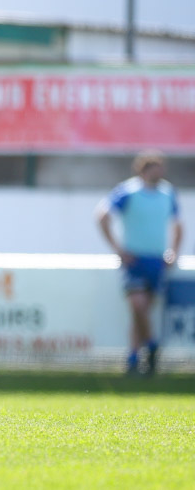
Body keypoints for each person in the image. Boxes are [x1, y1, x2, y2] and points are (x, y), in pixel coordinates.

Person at [96, 150, 183, 375]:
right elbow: (103, 216)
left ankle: (134, 357)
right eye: (154, 167)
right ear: (143, 170)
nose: (160, 171)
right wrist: (118, 249)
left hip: (156, 260)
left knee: (141, 311)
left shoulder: (167, 193)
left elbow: (178, 225)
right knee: (138, 305)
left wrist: (173, 252)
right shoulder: (128, 191)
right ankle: (152, 344)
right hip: (134, 259)